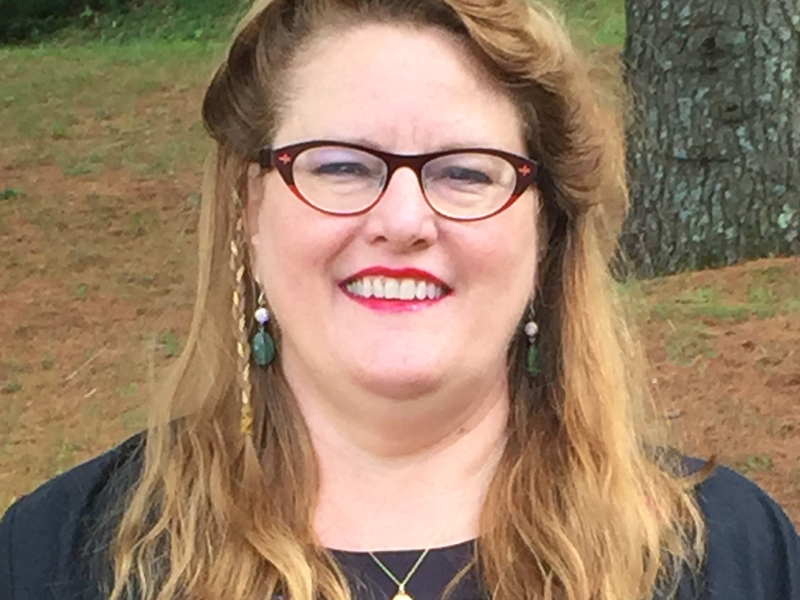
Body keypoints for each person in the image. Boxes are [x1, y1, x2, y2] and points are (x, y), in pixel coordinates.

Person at [1, 0, 799, 599]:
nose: (404, 219)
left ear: (545, 228)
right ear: (251, 207)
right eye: (342, 166)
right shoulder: (58, 556)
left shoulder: (728, 557)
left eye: (466, 171)